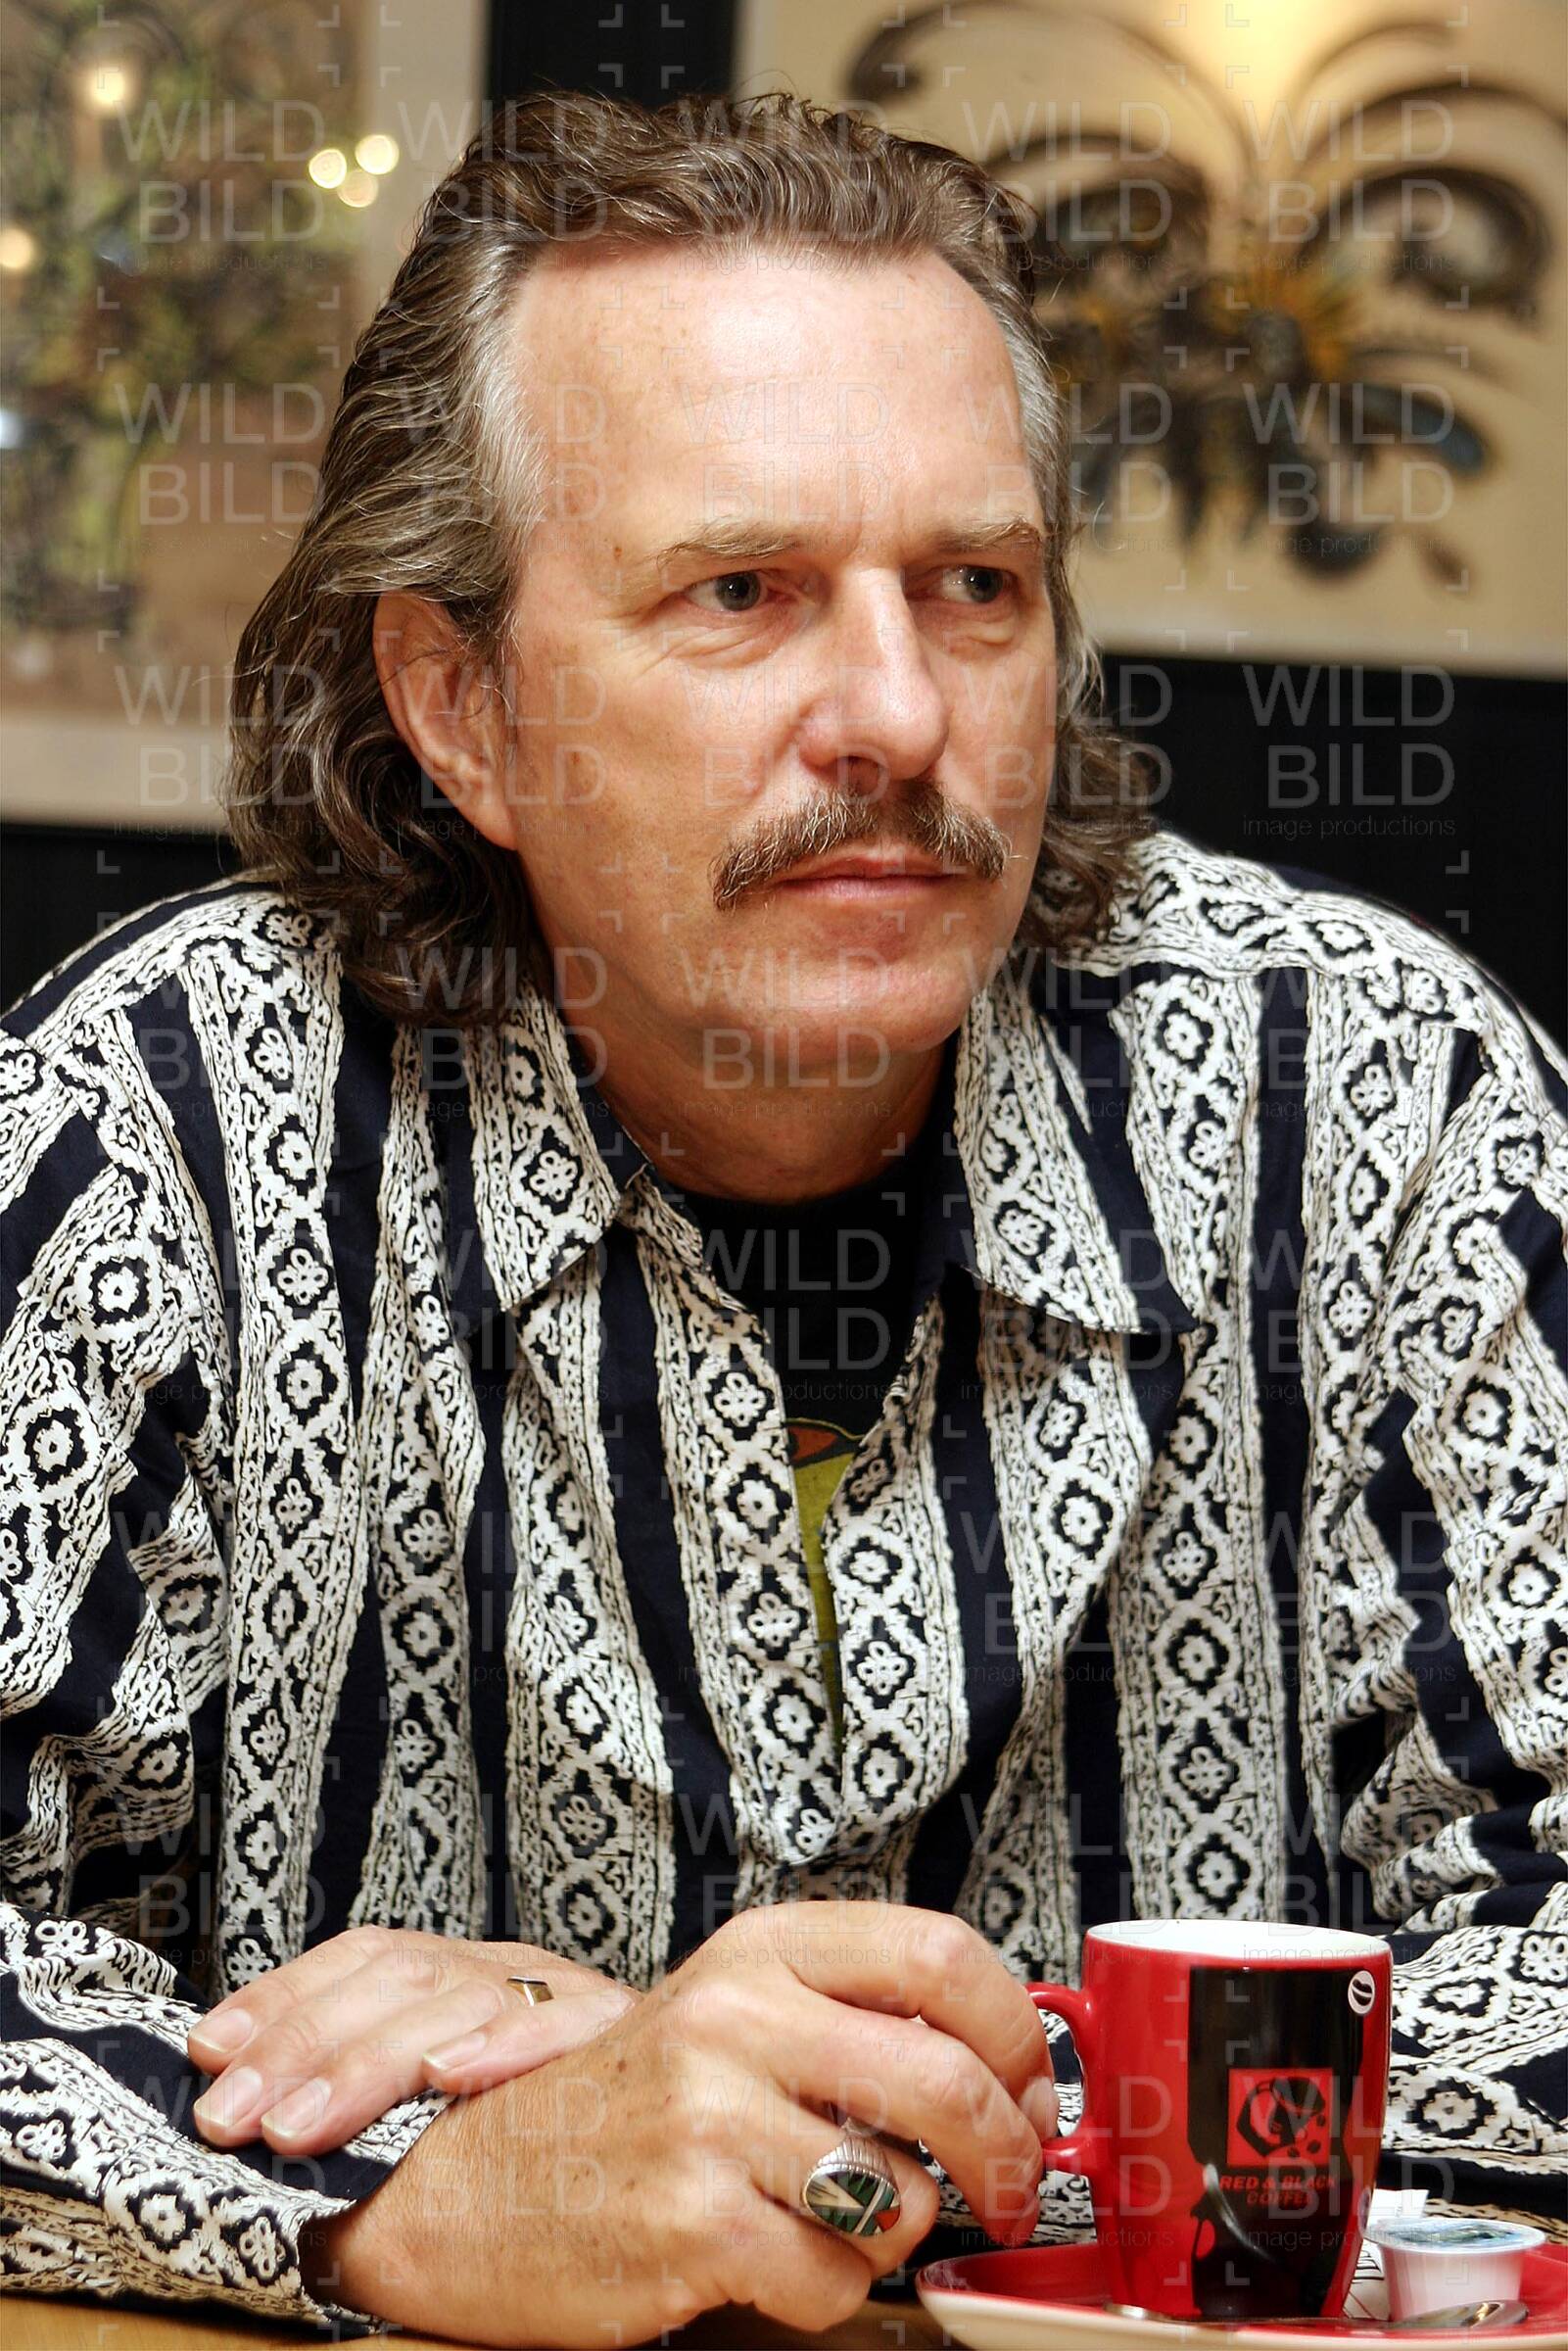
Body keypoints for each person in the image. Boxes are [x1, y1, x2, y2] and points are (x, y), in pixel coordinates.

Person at [2, 88, 1564, 2348]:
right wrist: (401, 2199)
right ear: (463, 704)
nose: (901, 715)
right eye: (740, 593)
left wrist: (809, 2106)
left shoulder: (1385, 1112)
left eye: (975, 589)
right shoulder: (158, 1131)